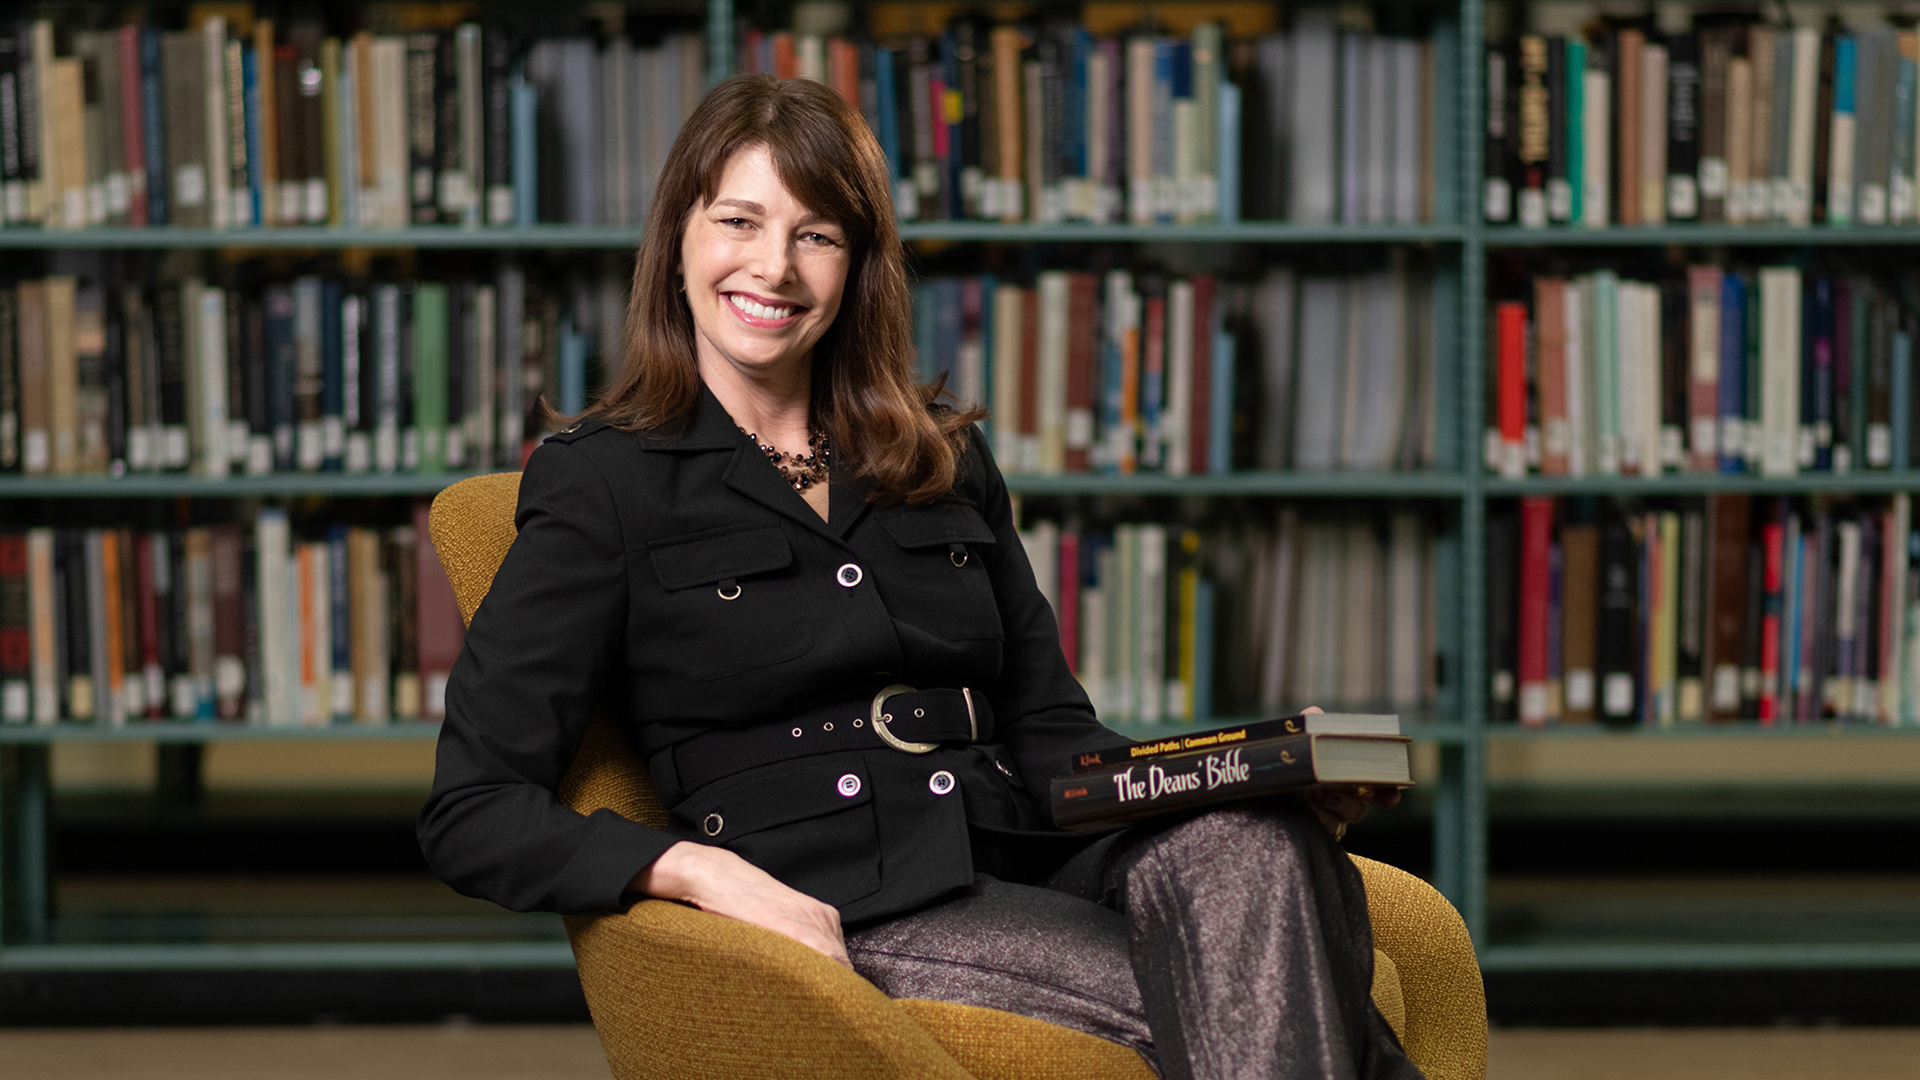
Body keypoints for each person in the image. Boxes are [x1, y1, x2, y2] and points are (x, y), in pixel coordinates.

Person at [418, 73, 1422, 1080]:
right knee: (1265, 986)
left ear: (857, 267)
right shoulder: (602, 484)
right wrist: (699, 872)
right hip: (850, 895)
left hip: (1029, 847)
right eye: (739, 220)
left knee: (1260, 846)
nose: (774, 266)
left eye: (817, 235)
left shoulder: (937, 454)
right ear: (678, 237)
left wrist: (1246, 777)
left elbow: (1055, 737)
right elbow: (473, 811)